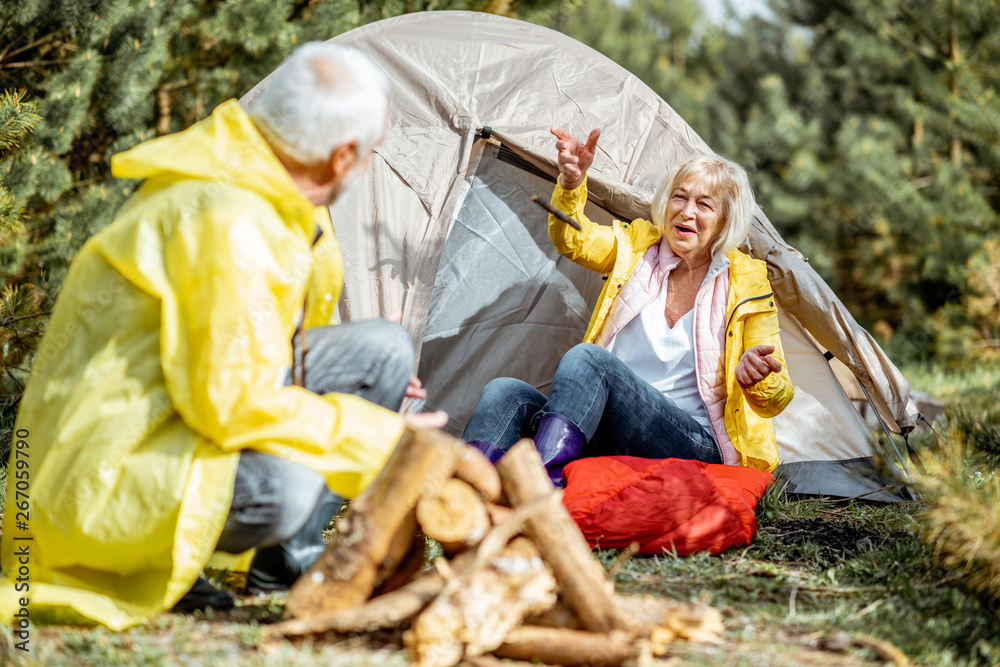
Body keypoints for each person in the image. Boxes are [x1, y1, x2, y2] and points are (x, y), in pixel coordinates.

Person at [0, 42, 446, 629]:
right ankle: (161, 566)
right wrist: (378, 435)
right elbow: (228, 404)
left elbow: (270, 335)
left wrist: (356, 376)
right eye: (370, 153)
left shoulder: (259, 179)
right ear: (341, 158)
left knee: (382, 352)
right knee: (286, 488)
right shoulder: (229, 220)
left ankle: (287, 566)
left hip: (180, 405)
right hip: (107, 465)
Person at [463, 127, 793, 485]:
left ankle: (544, 491)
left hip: (691, 441)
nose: (686, 212)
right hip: (610, 426)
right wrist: (573, 184)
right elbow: (574, 239)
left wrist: (757, 379)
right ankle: (460, 502)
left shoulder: (746, 281)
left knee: (588, 358)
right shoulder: (638, 249)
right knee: (503, 392)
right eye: (679, 198)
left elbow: (777, 398)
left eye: (704, 204)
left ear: (725, 220)